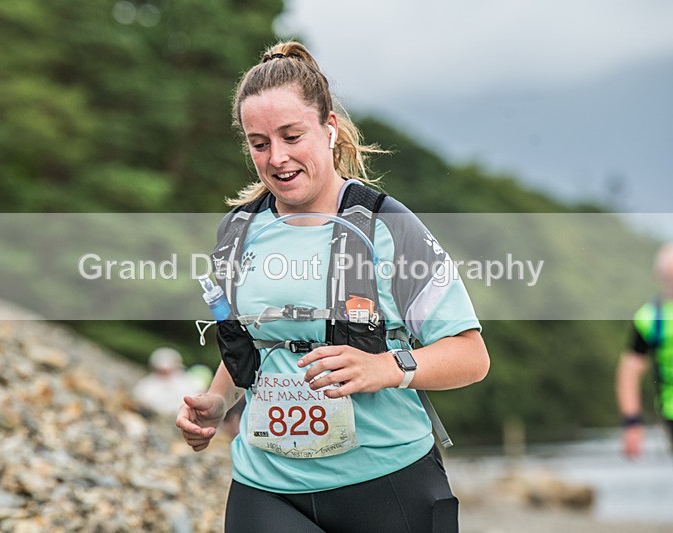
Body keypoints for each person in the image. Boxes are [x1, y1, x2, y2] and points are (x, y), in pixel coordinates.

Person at [176, 41, 490, 532]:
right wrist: (217, 402)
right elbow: (255, 345)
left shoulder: (386, 226)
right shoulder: (236, 232)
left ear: (329, 129)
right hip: (266, 487)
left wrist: (386, 367)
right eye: (260, 144)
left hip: (388, 483)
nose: (277, 157)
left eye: (292, 136)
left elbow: (471, 357)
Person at [616, 242, 673, 532]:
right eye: (672, 281)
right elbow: (629, 372)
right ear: (662, 280)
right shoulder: (650, 318)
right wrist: (632, 423)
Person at [133, 347, 200, 416]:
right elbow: (141, 400)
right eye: (162, 371)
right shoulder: (146, 385)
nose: (165, 373)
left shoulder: (188, 382)